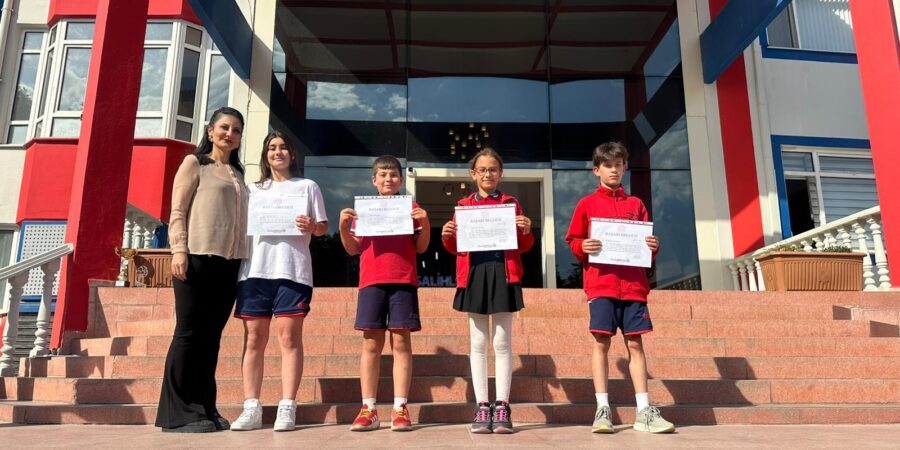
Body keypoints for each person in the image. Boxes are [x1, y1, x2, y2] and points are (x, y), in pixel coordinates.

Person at [564, 141, 674, 434]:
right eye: (608, 165)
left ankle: (644, 411)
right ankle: (602, 409)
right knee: (601, 342)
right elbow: (573, 240)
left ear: (625, 167)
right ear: (596, 170)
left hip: (634, 286)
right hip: (601, 285)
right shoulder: (586, 204)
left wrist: (653, 246)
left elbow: (646, 248)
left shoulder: (636, 205)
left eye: (618, 165)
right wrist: (582, 246)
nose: (614, 170)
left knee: (635, 344)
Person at [157, 107, 249, 433]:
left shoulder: (238, 174)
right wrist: (178, 250)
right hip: (196, 257)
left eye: (236, 130)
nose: (229, 134)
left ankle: (204, 406)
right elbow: (177, 210)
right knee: (188, 334)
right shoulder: (194, 163)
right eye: (224, 127)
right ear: (211, 131)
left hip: (229, 263)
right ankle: (178, 413)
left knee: (211, 339)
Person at [230, 131, 328, 432]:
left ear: (292, 154)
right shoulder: (252, 189)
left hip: (293, 271)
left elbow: (322, 227)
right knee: (254, 340)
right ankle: (251, 407)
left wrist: (312, 225)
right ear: (265, 154)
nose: (278, 152)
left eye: (284, 147)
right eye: (272, 148)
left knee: (289, 339)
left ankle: (288, 406)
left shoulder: (307, 186)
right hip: (255, 271)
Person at [441, 148, 533, 434]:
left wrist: (526, 230)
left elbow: (524, 246)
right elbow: (456, 247)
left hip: (503, 271)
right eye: (482, 169)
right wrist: (447, 237)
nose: (487, 174)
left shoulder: (511, 203)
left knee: (502, 342)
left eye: (493, 169)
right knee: (478, 342)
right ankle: (482, 406)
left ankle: (502, 405)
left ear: (500, 173)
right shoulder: (463, 205)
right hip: (475, 274)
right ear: (473, 174)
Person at [338, 155, 430, 432]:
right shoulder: (364, 210)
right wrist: (343, 227)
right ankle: (368, 408)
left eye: (393, 175)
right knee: (371, 344)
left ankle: (400, 407)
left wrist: (425, 223)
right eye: (383, 175)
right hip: (372, 280)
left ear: (401, 180)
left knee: (401, 342)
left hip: (403, 279)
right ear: (374, 180)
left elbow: (421, 247)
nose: (388, 179)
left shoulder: (411, 207)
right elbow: (353, 249)